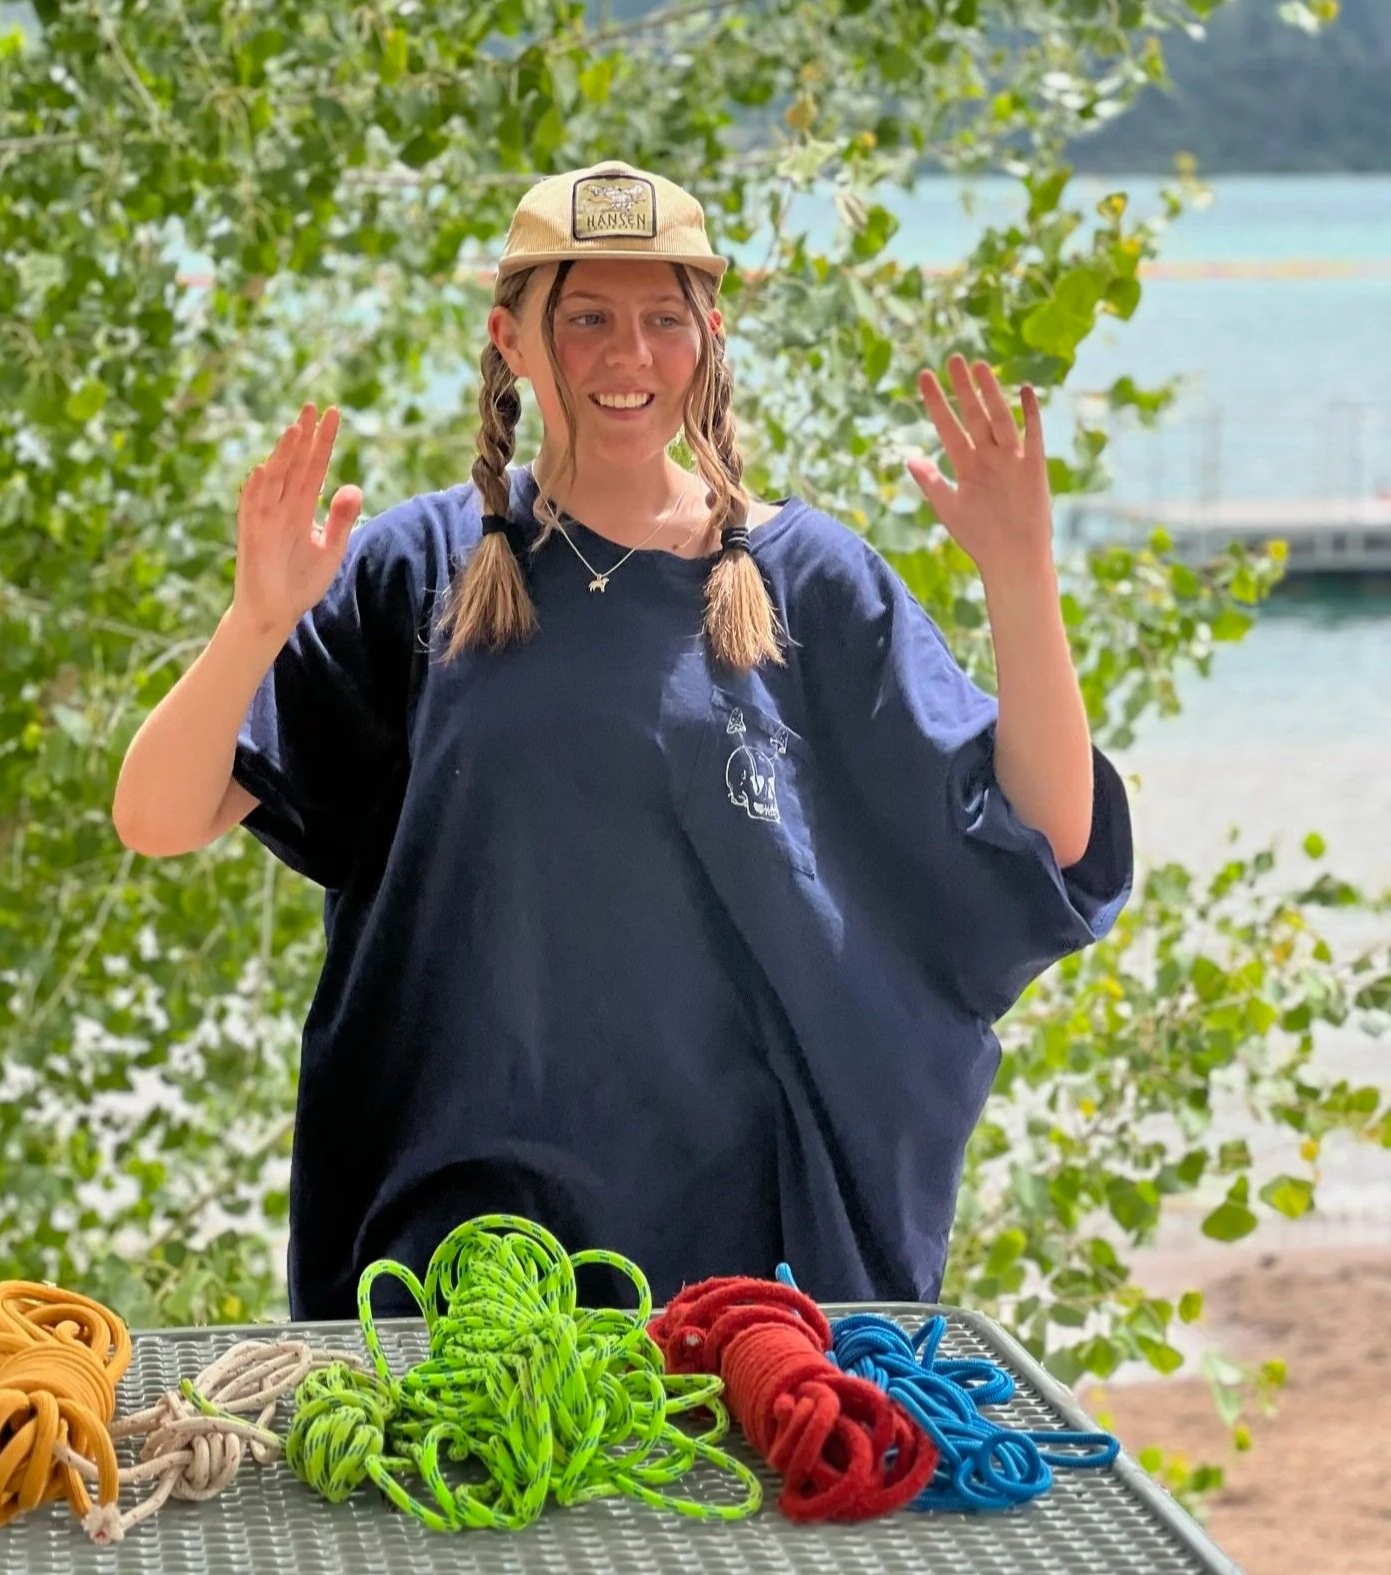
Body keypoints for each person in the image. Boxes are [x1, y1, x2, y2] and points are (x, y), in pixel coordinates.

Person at [113, 159, 1134, 1322]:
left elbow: (1049, 837)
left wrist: (1021, 574)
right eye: (585, 317)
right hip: (457, 1253)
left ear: (710, 333)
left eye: (663, 318)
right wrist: (253, 625)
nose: (626, 355)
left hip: (745, 1267)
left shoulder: (808, 579)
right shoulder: (418, 569)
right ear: (512, 339)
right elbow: (155, 816)